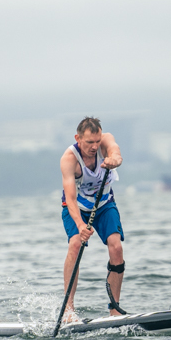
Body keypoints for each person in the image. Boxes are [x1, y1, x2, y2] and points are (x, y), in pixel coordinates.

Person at [59, 116, 124, 319]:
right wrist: (80, 225)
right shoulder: (69, 159)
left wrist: (114, 160)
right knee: (75, 244)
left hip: (104, 204)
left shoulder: (105, 141)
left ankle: (114, 309)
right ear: (78, 138)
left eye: (97, 141)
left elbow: (115, 152)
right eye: (89, 142)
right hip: (77, 207)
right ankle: (69, 310)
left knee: (116, 247)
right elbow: (70, 199)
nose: (95, 147)